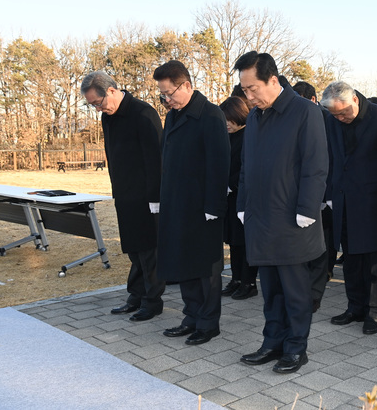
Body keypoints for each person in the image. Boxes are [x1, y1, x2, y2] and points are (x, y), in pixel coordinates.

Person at [235, 51, 328, 374]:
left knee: (295, 291)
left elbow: (316, 165)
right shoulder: (256, 117)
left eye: (252, 88)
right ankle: (272, 342)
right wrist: (243, 204)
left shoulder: (304, 112)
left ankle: (295, 348)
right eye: (244, 90)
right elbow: (247, 165)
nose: (248, 95)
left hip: (292, 219)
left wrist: (307, 209)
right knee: (270, 288)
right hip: (261, 218)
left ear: (272, 80)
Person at [153, 60, 230, 345]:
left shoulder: (210, 115)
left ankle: (208, 322)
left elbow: (219, 163)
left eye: (170, 93)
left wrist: (214, 206)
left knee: (205, 267)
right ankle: (192, 315)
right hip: (177, 202)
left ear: (186, 85)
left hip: (202, 206)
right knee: (184, 262)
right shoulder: (173, 114)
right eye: (162, 95)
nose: (166, 100)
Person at [81, 71, 165, 322]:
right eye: (92, 105)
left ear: (111, 91)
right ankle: (136, 295)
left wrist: (155, 197)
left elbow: (156, 158)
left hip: (147, 196)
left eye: (98, 102)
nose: (97, 109)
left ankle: (153, 301)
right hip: (124, 194)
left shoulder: (142, 113)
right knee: (133, 249)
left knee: (149, 250)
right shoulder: (108, 117)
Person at [320, 81, 377, 335]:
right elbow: (328, 157)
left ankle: (374, 311)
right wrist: (329, 193)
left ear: (355, 101)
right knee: (350, 258)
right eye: (335, 114)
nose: (340, 118)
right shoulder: (331, 121)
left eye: (344, 112)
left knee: (375, 262)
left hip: (374, 201)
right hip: (343, 199)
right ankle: (355, 306)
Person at [293, 80, 334, 311]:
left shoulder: (325, 119)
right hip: (297, 194)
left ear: (311, 100)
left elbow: (328, 159)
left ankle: (315, 292)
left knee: (321, 246)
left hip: (321, 193)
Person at [219, 96, 258, 300]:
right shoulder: (226, 137)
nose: (226, 124)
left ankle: (249, 282)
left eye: (229, 119)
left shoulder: (248, 135)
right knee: (234, 242)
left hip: (243, 195)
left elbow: (247, 168)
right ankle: (235, 278)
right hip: (229, 197)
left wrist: (230, 184)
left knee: (244, 241)